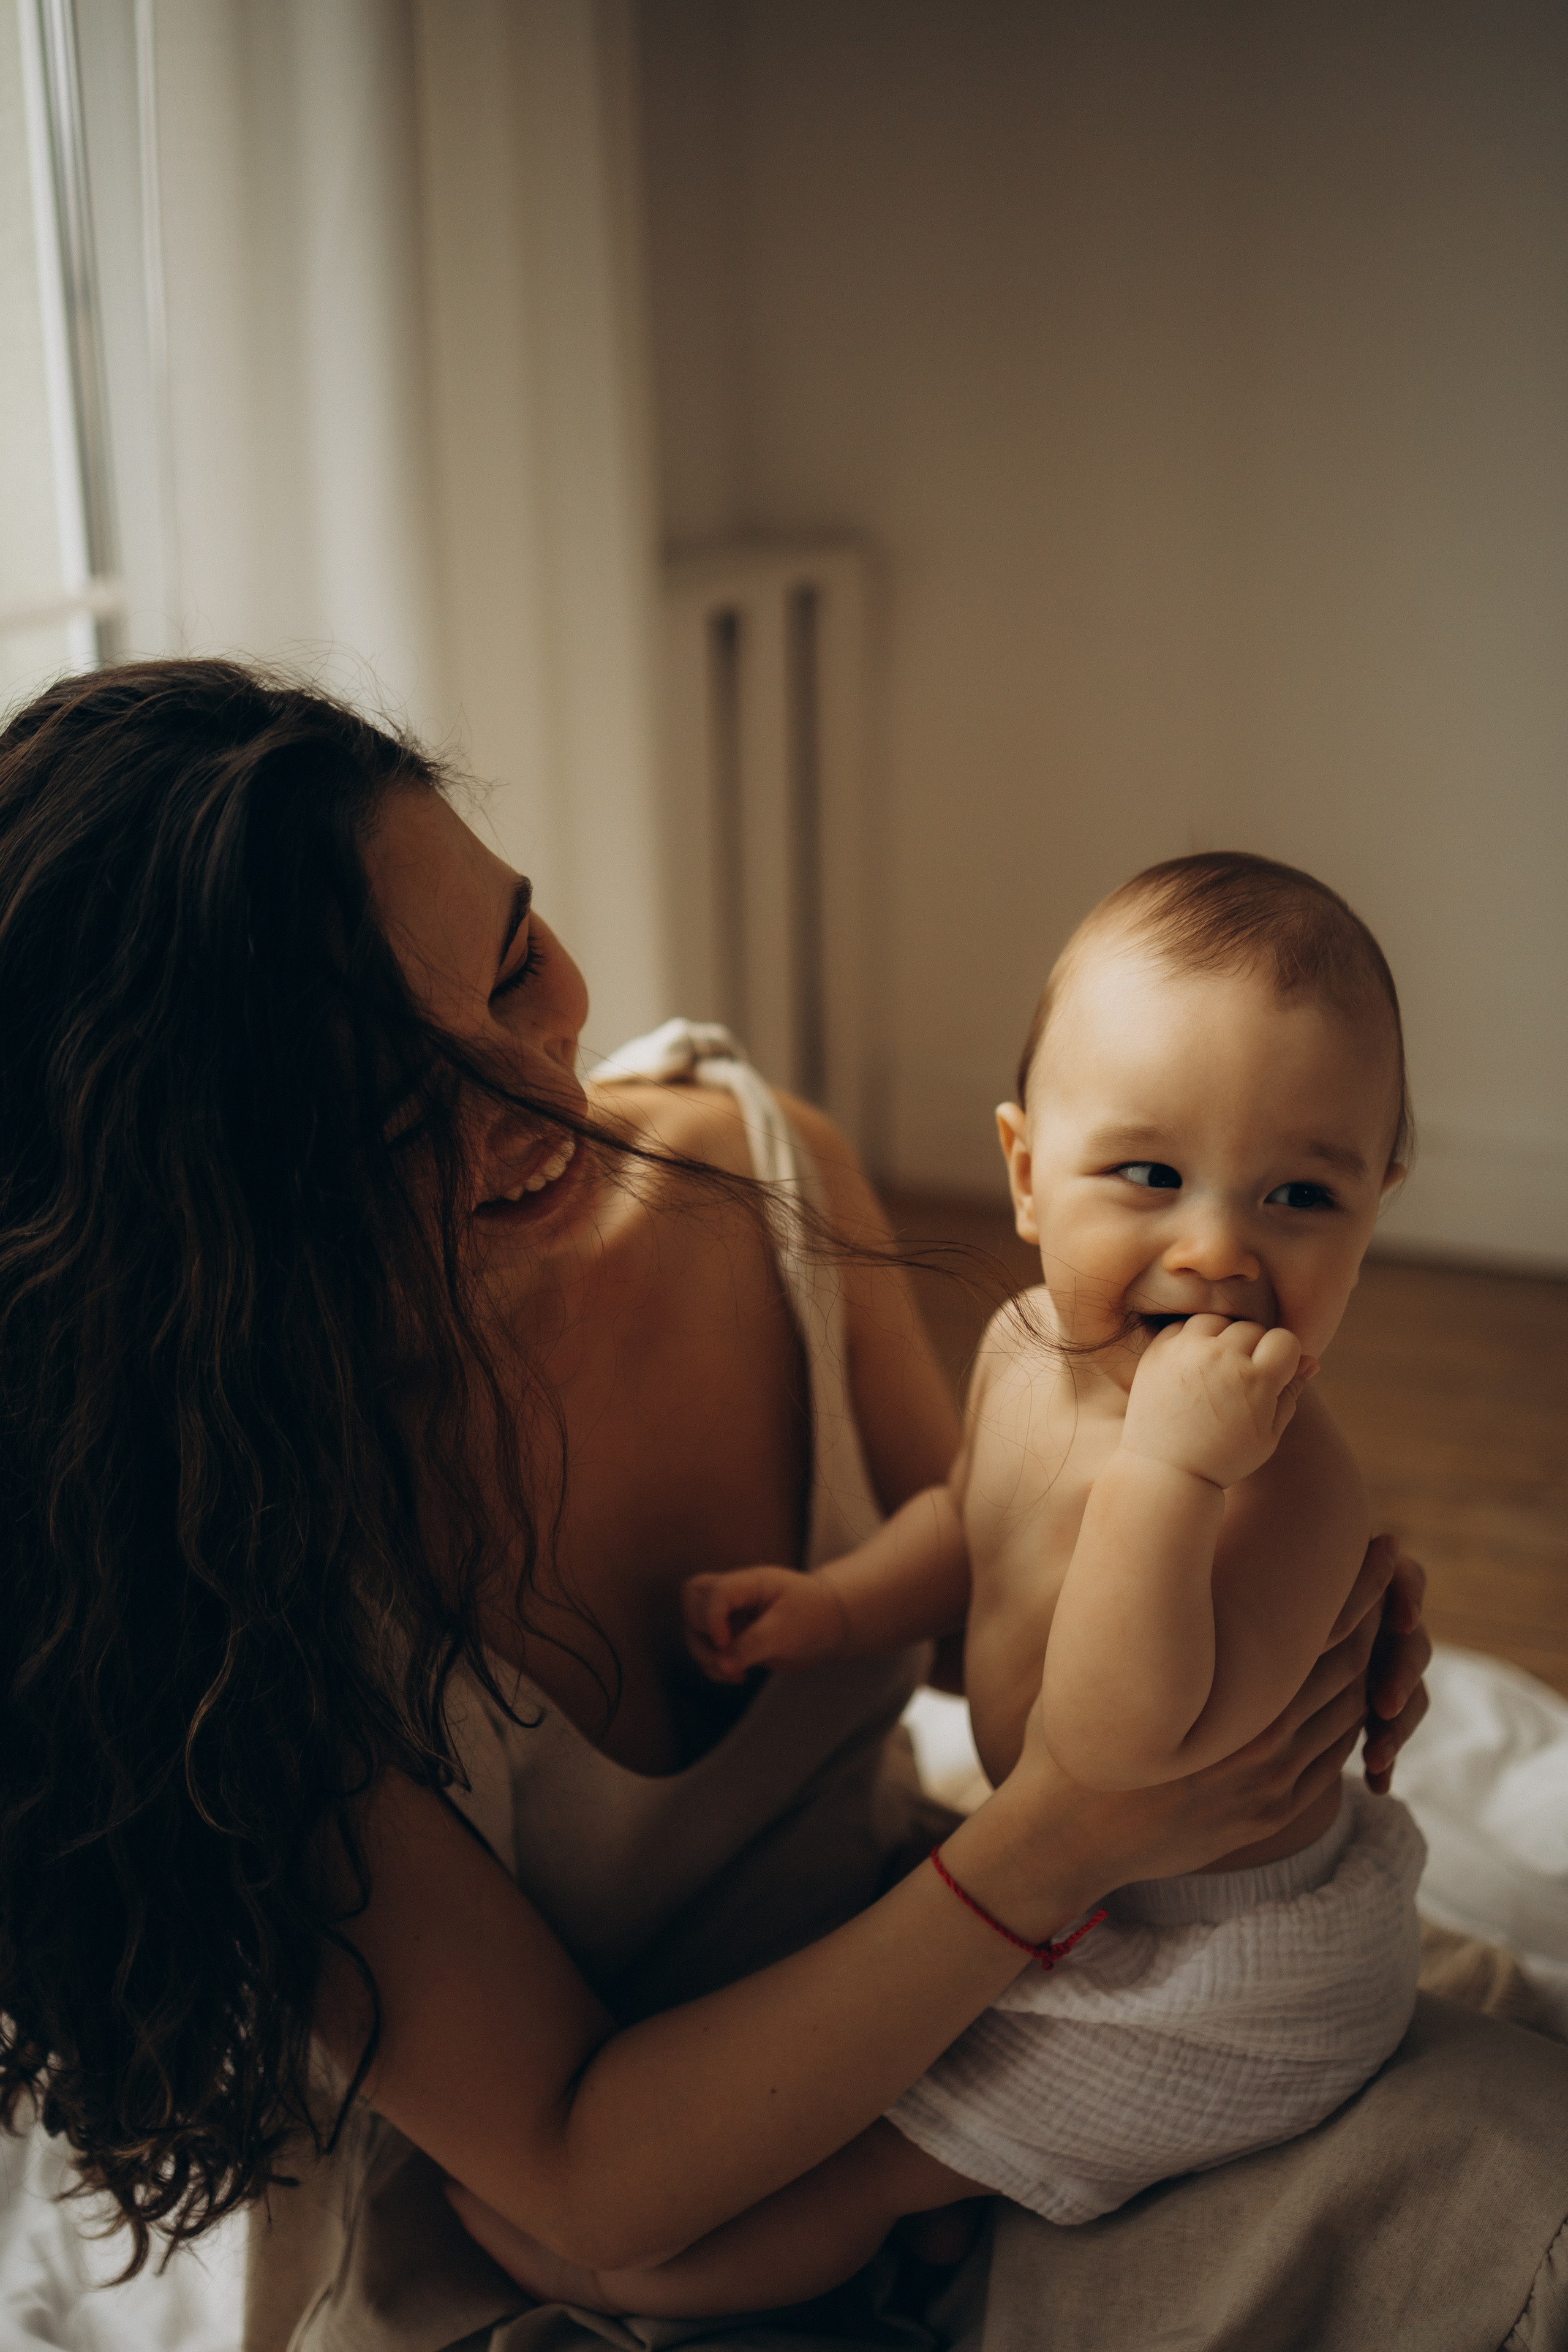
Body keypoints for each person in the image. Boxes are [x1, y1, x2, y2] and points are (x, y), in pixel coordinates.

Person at [0, 663, 1552, 2352]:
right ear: (205, 1206)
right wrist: (1073, 1835)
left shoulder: (747, 1179)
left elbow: (1003, 1569)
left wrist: (1278, 1579)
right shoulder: (218, 1596)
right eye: (394, 1111)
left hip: (946, 1967)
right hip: (602, 2202)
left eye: (519, 962)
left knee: (1500, 2174)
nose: (542, 1099)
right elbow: (577, 2180)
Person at [503, 852, 1425, 2315]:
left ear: (1376, 1206)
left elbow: (1116, 1752)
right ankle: (984, 2195)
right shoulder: (1018, 1347)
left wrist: (1170, 1477)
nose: (1215, 1248)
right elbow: (967, 1515)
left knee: (866, 2152)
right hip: (1085, 1897)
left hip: (1223, 1976)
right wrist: (845, 1605)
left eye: (1299, 1194)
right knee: (906, 2056)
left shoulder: (1283, 1480)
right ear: (1022, 1175)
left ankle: (660, 2279)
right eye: (1146, 1175)